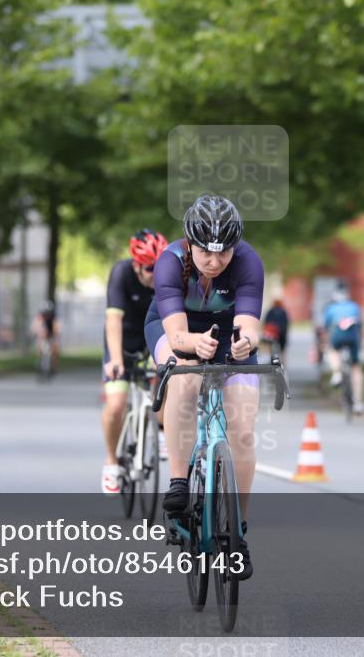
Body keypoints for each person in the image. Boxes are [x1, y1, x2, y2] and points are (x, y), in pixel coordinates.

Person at [144, 194, 263, 580]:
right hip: (175, 328)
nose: (214, 262)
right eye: (206, 253)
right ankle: (179, 481)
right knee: (187, 374)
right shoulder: (170, 262)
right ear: (189, 244)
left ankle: (238, 533)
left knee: (242, 429)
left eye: (224, 253)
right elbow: (176, 334)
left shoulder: (248, 262)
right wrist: (194, 345)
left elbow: (250, 324)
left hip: (227, 332)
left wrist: (246, 342)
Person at [100, 229, 168, 495]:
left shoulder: (167, 278)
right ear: (138, 266)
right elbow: (113, 319)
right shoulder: (121, 274)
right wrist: (116, 359)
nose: (157, 274)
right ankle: (111, 462)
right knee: (116, 404)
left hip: (153, 337)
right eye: (151, 269)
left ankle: (160, 428)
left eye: (160, 267)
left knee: (163, 379)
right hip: (123, 339)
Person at [323, 282, 364, 414]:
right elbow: (361, 328)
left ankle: (337, 374)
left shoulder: (331, 308)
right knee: (356, 367)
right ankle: (358, 402)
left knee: (332, 350)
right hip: (353, 334)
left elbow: (326, 328)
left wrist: (325, 343)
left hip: (337, 332)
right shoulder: (354, 306)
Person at [32, 300, 60, 371]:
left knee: (55, 348)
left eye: (48, 313)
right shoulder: (40, 317)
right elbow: (35, 325)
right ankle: (39, 358)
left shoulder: (53, 317)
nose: (46, 315)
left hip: (51, 334)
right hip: (43, 334)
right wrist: (36, 331)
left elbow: (56, 327)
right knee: (38, 343)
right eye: (45, 313)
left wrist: (56, 332)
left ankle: (54, 366)